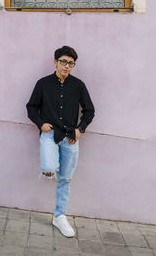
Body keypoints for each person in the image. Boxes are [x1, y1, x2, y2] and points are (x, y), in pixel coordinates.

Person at [26, 46, 95, 237]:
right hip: (49, 134)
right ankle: (50, 169)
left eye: (71, 63)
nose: (67, 66)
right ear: (55, 62)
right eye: (63, 62)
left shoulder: (78, 85)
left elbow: (89, 110)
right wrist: (41, 124)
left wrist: (80, 129)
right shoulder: (43, 84)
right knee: (49, 167)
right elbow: (31, 107)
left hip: (70, 138)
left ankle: (59, 216)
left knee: (65, 178)